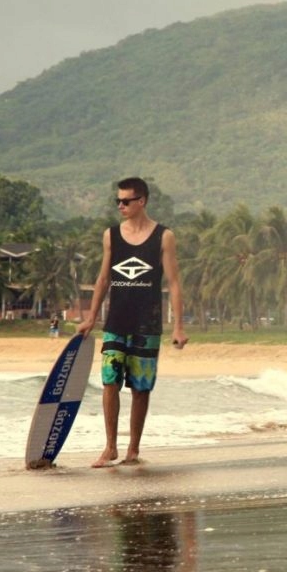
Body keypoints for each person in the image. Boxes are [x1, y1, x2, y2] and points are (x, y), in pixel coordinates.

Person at [78, 177, 188, 467]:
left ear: (142, 201)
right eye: (118, 201)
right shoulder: (111, 235)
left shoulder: (163, 237)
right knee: (109, 381)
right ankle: (111, 447)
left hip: (147, 323)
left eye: (126, 201)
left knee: (140, 388)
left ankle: (133, 450)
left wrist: (178, 326)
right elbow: (103, 278)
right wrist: (91, 317)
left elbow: (174, 283)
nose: (121, 206)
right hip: (116, 320)